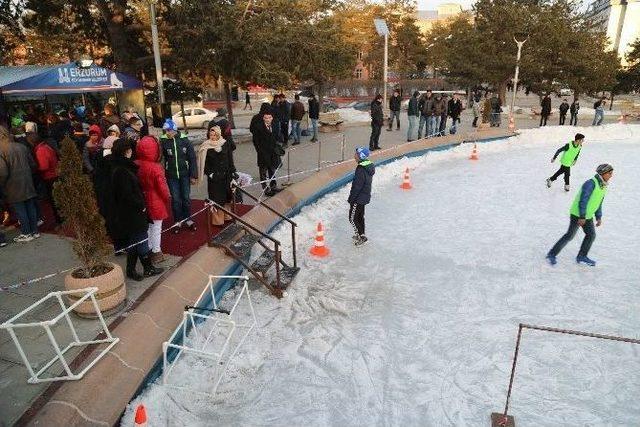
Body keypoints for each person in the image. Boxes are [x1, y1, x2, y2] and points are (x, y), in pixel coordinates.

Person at [108, 138, 164, 280]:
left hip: (128, 212)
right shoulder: (123, 170)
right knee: (141, 239)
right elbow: (127, 194)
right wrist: (142, 206)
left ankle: (131, 269)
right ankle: (148, 268)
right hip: (133, 212)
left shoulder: (120, 167)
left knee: (134, 241)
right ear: (126, 152)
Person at [546, 164, 614, 267]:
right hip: (578, 214)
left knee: (591, 235)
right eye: (609, 173)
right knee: (570, 235)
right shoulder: (591, 183)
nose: (611, 175)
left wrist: (598, 216)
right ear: (602, 173)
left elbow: (598, 202)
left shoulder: (603, 185)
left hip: (588, 215)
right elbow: (583, 200)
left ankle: (581, 256)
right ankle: (551, 254)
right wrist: (582, 216)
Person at [0, 126, 39, 242]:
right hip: (27, 182)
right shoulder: (22, 147)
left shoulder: (1, 150)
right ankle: (34, 231)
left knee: (20, 209)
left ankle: (26, 233)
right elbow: (33, 165)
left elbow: (3, 172)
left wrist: (2, 185)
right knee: (30, 207)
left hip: (13, 185)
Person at [135, 135, 170, 264]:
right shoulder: (155, 168)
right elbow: (163, 188)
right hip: (156, 200)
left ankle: (148, 249)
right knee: (156, 228)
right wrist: (167, 198)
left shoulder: (136, 164)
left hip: (142, 199)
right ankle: (156, 251)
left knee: (148, 227)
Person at [160, 119, 197, 233]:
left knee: (185, 198)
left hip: (185, 175)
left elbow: (192, 159)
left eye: (169, 130)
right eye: (165, 130)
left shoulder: (185, 141)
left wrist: (193, 175)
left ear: (175, 129)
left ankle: (188, 219)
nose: (167, 133)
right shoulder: (164, 141)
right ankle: (177, 221)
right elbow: (161, 159)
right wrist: (162, 174)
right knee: (176, 199)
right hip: (171, 176)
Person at [197, 125, 237, 225]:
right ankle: (217, 221)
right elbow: (203, 163)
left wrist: (233, 172)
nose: (213, 137)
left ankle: (227, 216)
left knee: (227, 197)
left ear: (219, 135)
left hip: (226, 176)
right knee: (216, 199)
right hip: (214, 179)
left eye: (215, 135)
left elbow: (230, 159)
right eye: (211, 135)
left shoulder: (225, 144)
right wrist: (210, 174)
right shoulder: (205, 146)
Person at [250, 107, 281, 196]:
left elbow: (277, 137)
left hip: (272, 152)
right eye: (266, 118)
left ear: (272, 118)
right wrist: (260, 151)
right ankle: (266, 189)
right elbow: (255, 141)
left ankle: (273, 186)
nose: (268, 120)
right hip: (263, 153)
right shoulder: (258, 127)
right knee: (263, 172)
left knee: (272, 169)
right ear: (263, 118)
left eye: (269, 118)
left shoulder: (274, 125)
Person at [348, 147, 375, 247]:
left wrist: (352, 199)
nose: (354, 155)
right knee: (359, 217)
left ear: (360, 156)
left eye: (356, 154)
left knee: (352, 218)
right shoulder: (367, 166)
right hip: (363, 197)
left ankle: (361, 237)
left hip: (358, 198)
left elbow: (357, 186)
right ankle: (361, 234)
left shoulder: (361, 169)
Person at [33, 133, 62, 225]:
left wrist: (36, 169)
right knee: (57, 199)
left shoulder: (40, 150)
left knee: (54, 200)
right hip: (54, 175)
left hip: (49, 177)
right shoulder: (47, 146)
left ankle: (59, 220)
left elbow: (44, 166)